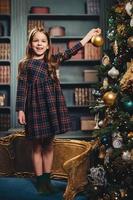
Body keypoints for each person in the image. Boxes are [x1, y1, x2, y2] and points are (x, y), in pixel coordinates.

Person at [16, 27, 101, 195]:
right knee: (37, 146)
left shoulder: (52, 61)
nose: (39, 44)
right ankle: (40, 182)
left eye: (43, 41)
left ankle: (47, 180)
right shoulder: (25, 64)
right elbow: (21, 88)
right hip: (34, 108)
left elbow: (72, 51)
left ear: (48, 45)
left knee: (48, 145)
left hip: (51, 107)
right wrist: (20, 110)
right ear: (31, 44)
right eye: (36, 41)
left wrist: (89, 36)